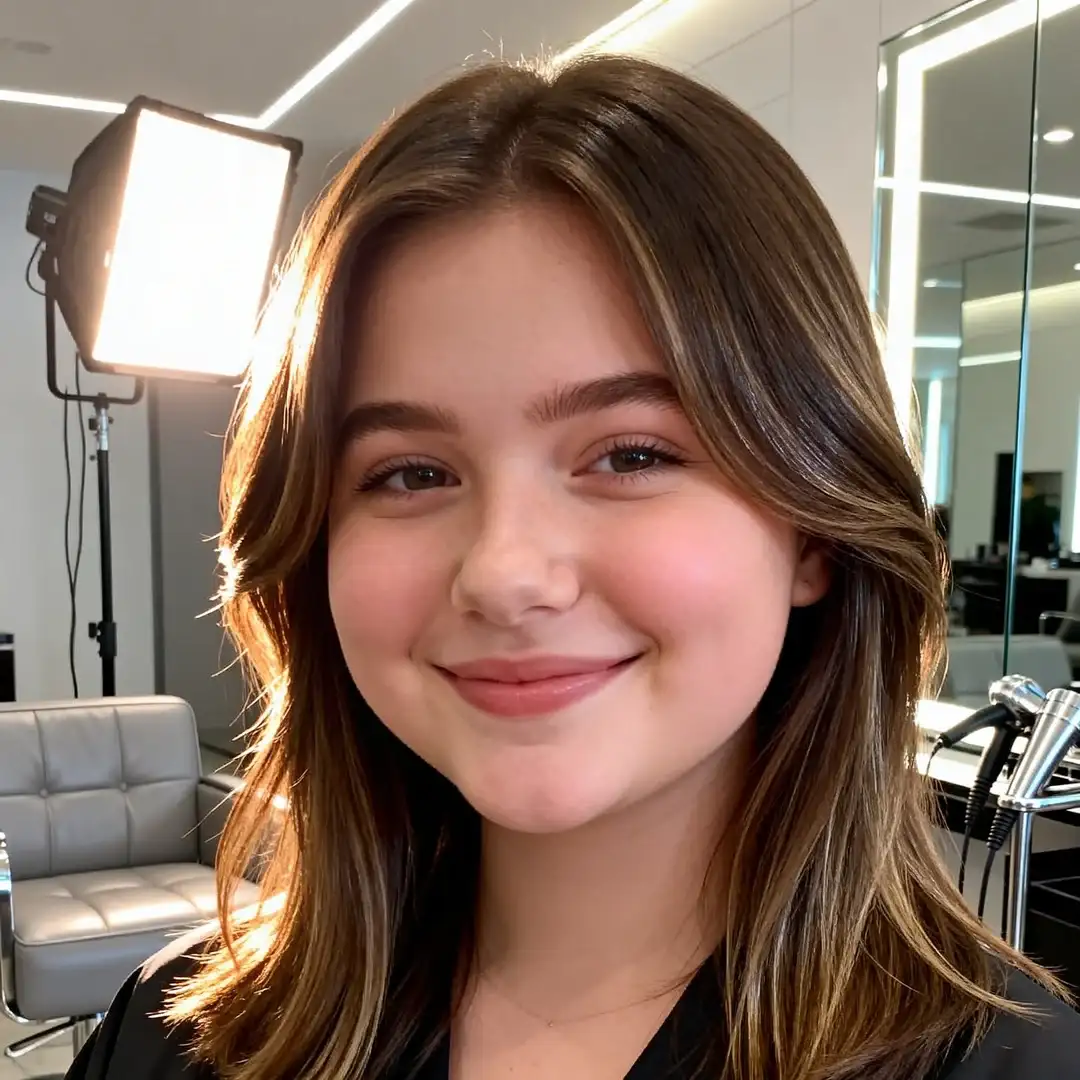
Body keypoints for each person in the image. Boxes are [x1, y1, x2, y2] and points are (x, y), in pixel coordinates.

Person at [67, 55, 1080, 1080]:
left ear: (815, 530)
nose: (505, 574)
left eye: (632, 455)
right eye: (411, 473)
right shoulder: (173, 1041)